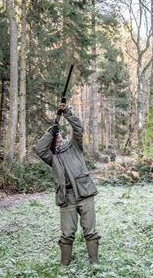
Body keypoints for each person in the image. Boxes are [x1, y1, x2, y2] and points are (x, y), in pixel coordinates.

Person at [34, 103, 101, 266]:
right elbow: (39, 148)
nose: (59, 138)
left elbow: (78, 128)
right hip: (67, 198)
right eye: (56, 138)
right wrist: (52, 130)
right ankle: (64, 265)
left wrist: (67, 113)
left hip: (84, 193)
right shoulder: (52, 158)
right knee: (67, 234)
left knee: (90, 231)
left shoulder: (75, 147)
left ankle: (95, 263)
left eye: (59, 136)